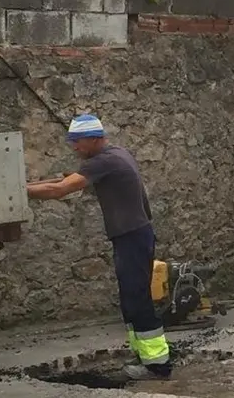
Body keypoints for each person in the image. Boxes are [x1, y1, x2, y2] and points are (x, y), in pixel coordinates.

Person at [26, 114, 172, 380]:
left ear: (93, 139)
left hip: (132, 237)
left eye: (77, 141)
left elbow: (60, 190)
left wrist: (18, 192)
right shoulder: (115, 154)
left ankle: (158, 366)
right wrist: (22, 186)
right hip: (133, 236)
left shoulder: (104, 161)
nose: (74, 147)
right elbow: (65, 180)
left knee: (138, 300)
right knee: (130, 301)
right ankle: (144, 357)